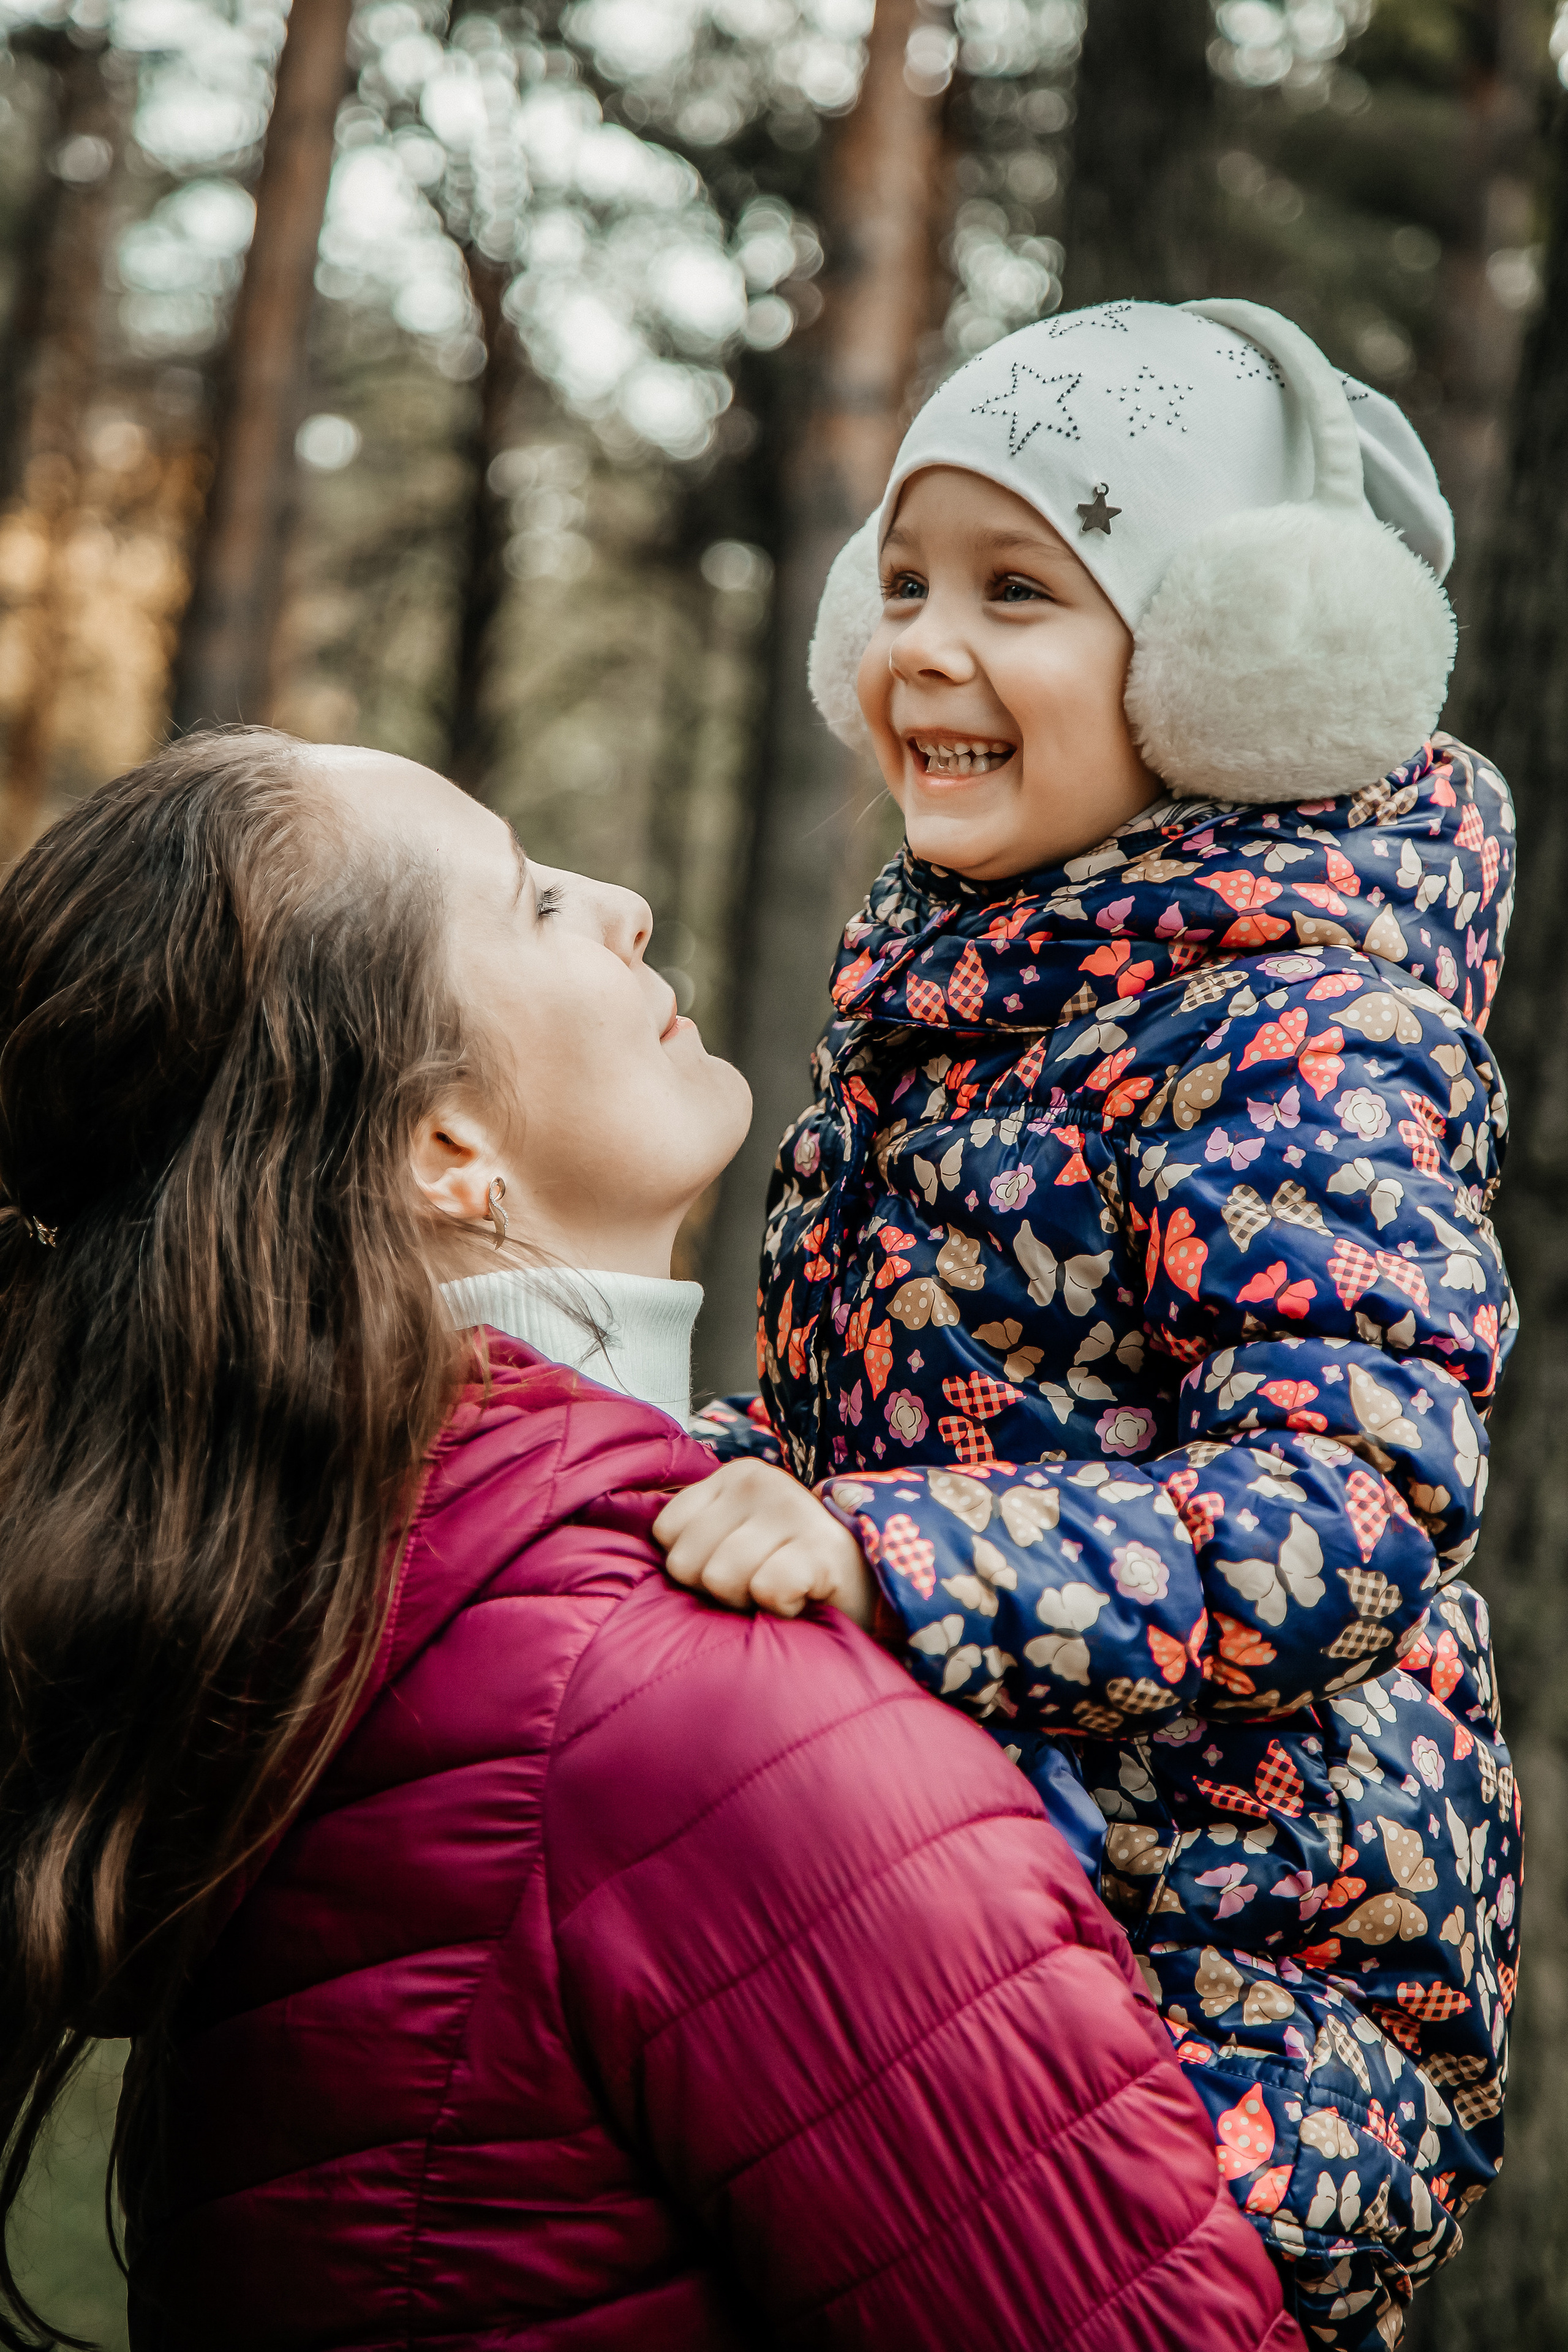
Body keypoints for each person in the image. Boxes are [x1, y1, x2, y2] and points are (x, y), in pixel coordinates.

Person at [0, 729, 1300, 2352]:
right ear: (444, 1150)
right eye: (533, 902)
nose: (620, 902)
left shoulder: (323, 1616)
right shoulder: (675, 1712)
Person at [655, 300, 1518, 2351]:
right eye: (906, 585)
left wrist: (891, 1552)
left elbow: (1354, 1503)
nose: (923, 645)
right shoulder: (952, 990)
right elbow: (863, 1420)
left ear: (1238, 669)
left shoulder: (1299, 1026)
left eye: (1023, 590)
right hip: (1000, 1905)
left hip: (1248, 1999)